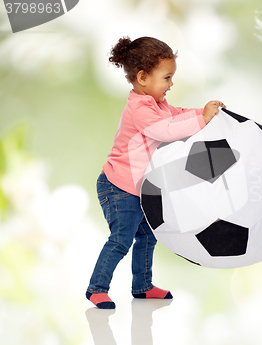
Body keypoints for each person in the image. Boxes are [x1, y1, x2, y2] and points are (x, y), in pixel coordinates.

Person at [86, 36, 225, 309]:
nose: (171, 84)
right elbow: (166, 130)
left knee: (148, 236)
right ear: (143, 77)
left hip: (138, 187)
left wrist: (202, 112)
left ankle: (142, 285)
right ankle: (96, 288)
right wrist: (202, 120)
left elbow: (177, 115)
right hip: (118, 187)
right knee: (121, 239)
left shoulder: (156, 104)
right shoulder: (140, 109)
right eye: (167, 77)